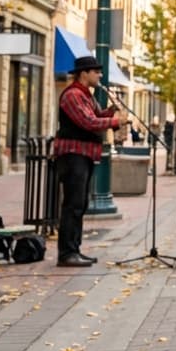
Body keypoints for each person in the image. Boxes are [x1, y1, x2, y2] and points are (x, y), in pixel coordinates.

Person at [54, 56, 125, 267]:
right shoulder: (73, 95)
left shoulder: (87, 96)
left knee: (80, 203)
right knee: (73, 204)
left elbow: (95, 115)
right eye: (96, 72)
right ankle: (66, 253)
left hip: (84, 154)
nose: (100, 75)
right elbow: (87, 121)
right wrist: (114, 121)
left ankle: (74, 249)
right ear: (84, 73)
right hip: (73, 154)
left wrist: (111, 111)